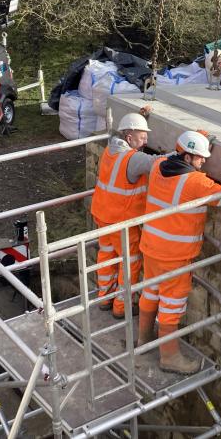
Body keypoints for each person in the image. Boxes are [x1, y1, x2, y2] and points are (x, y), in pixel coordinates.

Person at [137, 130, 221, 373]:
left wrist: (200, 136)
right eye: (199, 158)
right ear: (186, 157)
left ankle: (143, 340)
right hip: (175, 256)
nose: (203, 161)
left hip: (151, 247)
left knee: (150, 291)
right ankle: (169, 356)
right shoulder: (196, 183)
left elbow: (176, 147)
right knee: (171, 306)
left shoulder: (159, 165)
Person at [90, 108, 163, 318]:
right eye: (142, 136)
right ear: (129, 137)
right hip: (122, 221)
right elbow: (158, 164)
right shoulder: (134, 159)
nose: (146, 140)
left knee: (106, 256)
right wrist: (184, 151)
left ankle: (105, 298)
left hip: (103, 215)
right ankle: (122, 307)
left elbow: (119, 132)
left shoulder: (111, 147)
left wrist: (140, 117)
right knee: (129, 263)